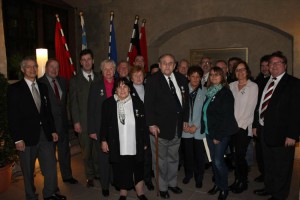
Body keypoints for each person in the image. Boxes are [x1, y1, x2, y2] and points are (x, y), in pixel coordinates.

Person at [7, 57, 66, 200]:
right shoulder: (15, 89)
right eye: (28, 67)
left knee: (51, 165)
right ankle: (31, 196)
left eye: (35, 66)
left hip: (45, 135)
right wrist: (17, 139)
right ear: (22, 69)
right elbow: (12, 116)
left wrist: (52, 130)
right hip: (26, 138)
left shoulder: (43, 87)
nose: (32, 69)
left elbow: (47, 112)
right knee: (28, 171)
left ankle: (50, 193)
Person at [253, 51, 300, 200]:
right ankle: (270, 187)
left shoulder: (294, 83)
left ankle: (279, 195)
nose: (273, 66)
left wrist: (293, 134)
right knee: (269, 164)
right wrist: (256, 125)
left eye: (277, 62)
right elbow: (259, 106)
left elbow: (296, 111)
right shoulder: (265, 81)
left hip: (283, 134)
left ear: (284, 65)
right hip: (264, 131)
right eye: (271, 63)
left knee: (282, 167)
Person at [144, 54, 189, 199]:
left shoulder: (182, 79)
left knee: (173, 158)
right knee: (160, 160)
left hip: (177, 127)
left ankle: (172, 183)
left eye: (170, 63)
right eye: (164, 63)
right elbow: (148, 104)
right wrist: (151, 124)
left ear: (175, 65)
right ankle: (162, 187)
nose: (168, 66)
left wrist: (185, 119)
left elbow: (185, 102)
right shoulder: (152, 80)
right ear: (159, 64)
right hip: (159, 128)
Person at [100, 78, 149, 200]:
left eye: (125, 87)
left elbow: (143, 124)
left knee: (138, 168)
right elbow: (104, 124)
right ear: (115, 89)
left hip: (135, 143)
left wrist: (145, 141)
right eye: (119, 87)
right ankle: (123, 193)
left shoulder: (137, 102)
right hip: (117, 144)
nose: (122, 89)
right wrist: (103, 140)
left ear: (129, 89)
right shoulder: (108, 103)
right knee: (121, 169)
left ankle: (140, 192)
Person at [39, 59, 78, 184]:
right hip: (49, 127)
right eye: (51, 67)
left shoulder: (62, 81)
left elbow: (64, 103)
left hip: (63, 125)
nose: (54, 70)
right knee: (50, 157)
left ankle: (67, 176)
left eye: (57, 67)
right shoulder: (39, 83)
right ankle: (52, 183)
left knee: (64, 153)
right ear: (46, 68)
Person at [201, 66, 238, 200]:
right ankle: (217, 184)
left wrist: (218, 136)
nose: (214, 77)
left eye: (217, 75)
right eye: (211, 75)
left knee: (218, 161)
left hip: (220, 133)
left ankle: (224, 188)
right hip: (209, 131)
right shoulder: (210, 91)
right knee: (214, 161)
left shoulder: (225, 93)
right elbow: (206, 111)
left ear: (222, 76)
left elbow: (226, 117)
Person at [69, 49, 100, 187]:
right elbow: (73, 103)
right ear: (81, 63)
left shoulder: (100, 77)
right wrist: (75, 121)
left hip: (98, 120)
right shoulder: (75, 80)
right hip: (83, 121)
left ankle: (99, 172)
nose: (87, 62)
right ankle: (89, 175)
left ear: (93, 61)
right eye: (84, 60)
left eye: (89, 59)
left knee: (98, 149)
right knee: (86, 150)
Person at [87, 59, 116, 197]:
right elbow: (90, 109)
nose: (109, 71)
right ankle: (105, 185)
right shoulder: (95, 85)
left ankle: (114, 180)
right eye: (106, 69)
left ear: (114, 70)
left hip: (117, 128)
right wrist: (92, 130)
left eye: (111, 68)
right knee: (103, 158)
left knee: (115, 156)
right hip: (101, 128)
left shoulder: (120, 83)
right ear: (102, 71)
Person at [229, 61, 258, 193]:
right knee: (234, 156)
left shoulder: (253, 86)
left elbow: (250, 109)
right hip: (231, 128)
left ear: (247, 71)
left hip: (243, 127)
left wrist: (238, 126)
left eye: (243, 70)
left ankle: (243, 181)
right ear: (234, 73)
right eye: (237, 70)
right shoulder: (231, 85)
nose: (240, 72)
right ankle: (237, 179)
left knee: (240, 155)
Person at [129, 65, 154, 191]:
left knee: (147, 156)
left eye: (141, 75)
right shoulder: (127, 90)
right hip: (134, 130)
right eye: (136, 76)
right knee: (136, 157)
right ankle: (136, 180)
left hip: (148, 127)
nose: (139, 78)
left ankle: (148, 179)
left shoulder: (149, 89)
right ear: (131, 78)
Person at [181, 66, 207, 188]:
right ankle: (188, 174)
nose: (195, 79)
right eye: (193, 76)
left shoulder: (206, 91)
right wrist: (183, 123)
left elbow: (205, 112)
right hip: (185, 128)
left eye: (198, 76)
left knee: (199, 155)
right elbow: (179, 110)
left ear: (201, 78)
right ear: (188, 77)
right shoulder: (182, 90)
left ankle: (199, 176)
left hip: (199, 129)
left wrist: (195, 126)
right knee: (188, 154)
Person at [253, 54, 270, 183]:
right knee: (259, 151)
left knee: (267, 153)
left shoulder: (272, 82)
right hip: (258, 121)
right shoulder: (258, 80)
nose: (264, 68)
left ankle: (268, 177)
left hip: (269, 123)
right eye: (262, 66)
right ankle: (263, 173)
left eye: (266, 65)